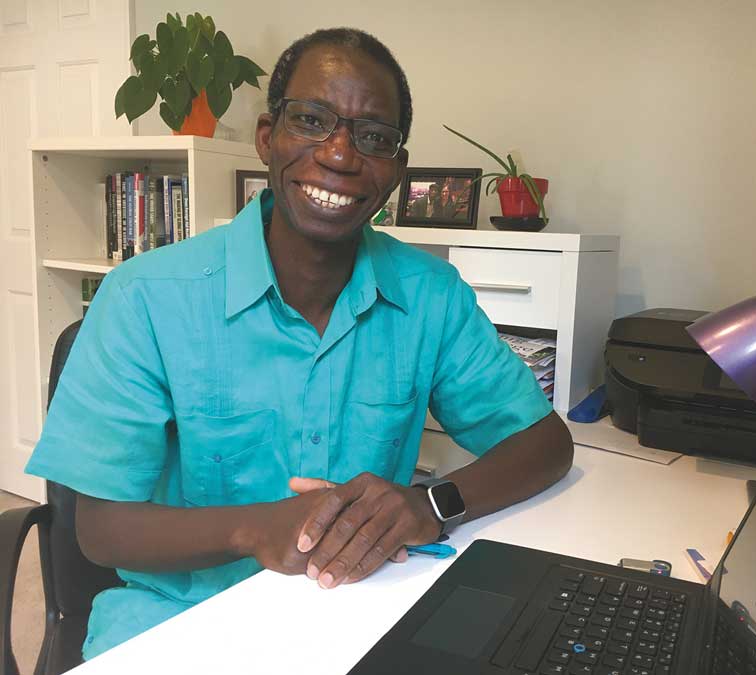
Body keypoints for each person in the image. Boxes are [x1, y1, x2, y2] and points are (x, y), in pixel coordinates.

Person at [25, 27, 573, 660]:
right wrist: (254, 528)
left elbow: (545, 444)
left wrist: (432, 502)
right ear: (267, 138)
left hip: (364, 613)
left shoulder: (430, 296)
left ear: (395, 169)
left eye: (373, 138)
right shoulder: (144, 298)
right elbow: (99, 528)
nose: (339, 156)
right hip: (181, 627)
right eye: (312, 120)